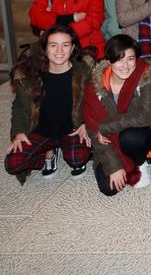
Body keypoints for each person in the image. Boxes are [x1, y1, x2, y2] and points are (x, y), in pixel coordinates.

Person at [5, 25, 93, 183]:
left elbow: (95, 101)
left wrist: (87, 123)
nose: (59, 50)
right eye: (53, 45)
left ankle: (65, 149)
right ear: (44, 48)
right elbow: (18, 106)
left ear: (72, 48)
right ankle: (48, 152)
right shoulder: (30, 76)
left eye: (65, 45)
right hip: (41, 131)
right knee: (13, 163)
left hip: (72, 130)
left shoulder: (84, 72)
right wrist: (18, 132)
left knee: (77, 159)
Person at [83, 35, 151, 195]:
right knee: (108, 189)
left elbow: (146, 116)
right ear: (109, 61)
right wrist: (114, 166)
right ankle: (123, 162)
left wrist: (105, 126)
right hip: (109, 144)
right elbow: (92, 128)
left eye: (130, 59)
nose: (125, 65)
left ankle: (139, 161)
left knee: (132, 138)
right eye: (119, 59)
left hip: (137, 134)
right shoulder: (95, 85)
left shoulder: (145, 76)